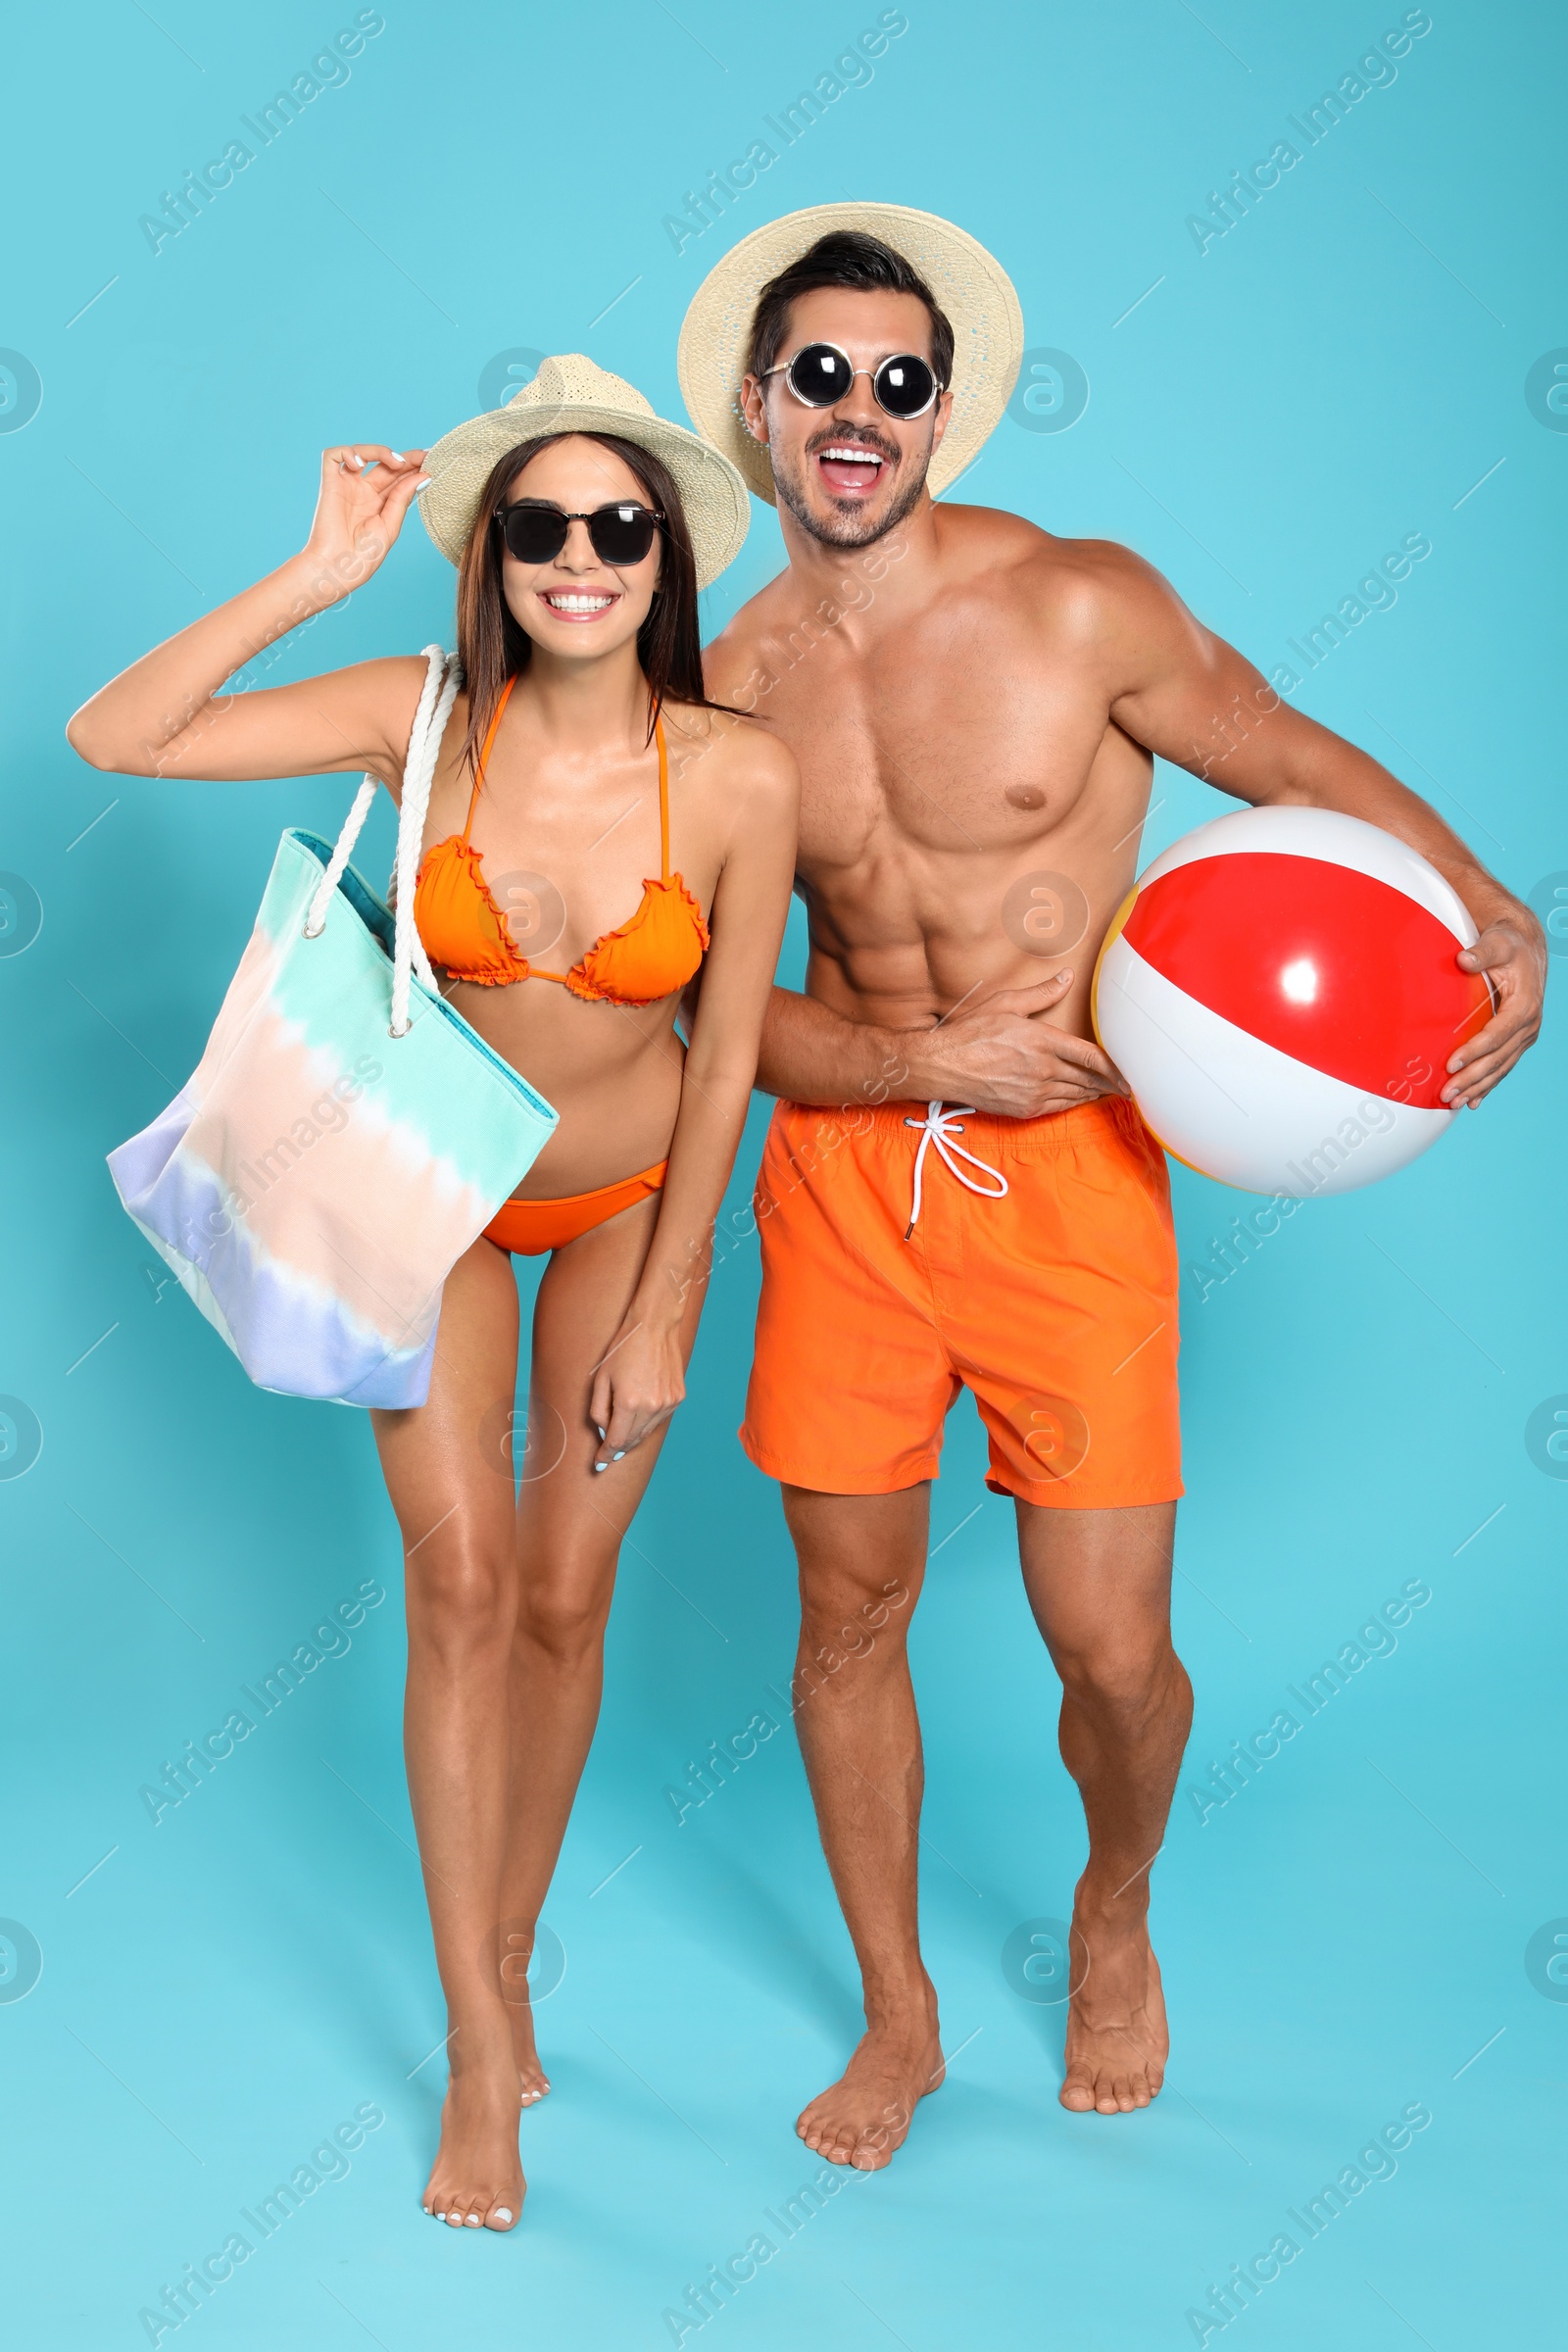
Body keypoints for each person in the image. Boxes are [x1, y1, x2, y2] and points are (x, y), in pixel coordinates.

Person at [685, 206, 1544, 2168]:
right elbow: (713, 1030)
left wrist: (1488, 903)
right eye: (818, 373)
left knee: (1107, 1649)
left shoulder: (1073, 606)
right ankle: (898, 2018)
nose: (857, 412)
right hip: (838, 1180)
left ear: (940, 414)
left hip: (1071, 1175)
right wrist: (909, 1062)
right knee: (844, 1612)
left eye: (898, 383)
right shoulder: (715, 686)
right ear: (757, 406)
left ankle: (1112, 1894)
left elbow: (1283, 757)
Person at [67, 356, 798, 2231]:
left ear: (661, 558)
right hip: (440, 1206)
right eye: (538, 525)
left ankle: (512, 1937)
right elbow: (118, 736)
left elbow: (723, 1064)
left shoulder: (735, 772)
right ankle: (481, 2043)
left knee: (566, 1591)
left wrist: (667, 1310)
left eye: (614, 526)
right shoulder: (419, 716)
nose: (577, 556)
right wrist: (317, 571)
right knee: (460, 1580)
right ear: (489, 552)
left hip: (633, 1207)